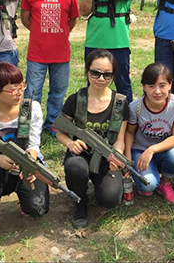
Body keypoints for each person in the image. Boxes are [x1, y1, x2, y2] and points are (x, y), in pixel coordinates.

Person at [0, 62, 49, 250]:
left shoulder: (32, 109)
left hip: (24, 166)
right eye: (13, 89)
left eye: (22, 86)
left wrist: (30, 163)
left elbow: (33, 144)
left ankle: (22, 196)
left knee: (38, 209)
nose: (19, 93)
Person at [55, 49, 129, 228]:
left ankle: (98, 183)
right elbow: (60, 131)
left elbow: (120, 139)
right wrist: (70, 143)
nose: (101, 78)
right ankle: (80, 201)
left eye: (107, 74)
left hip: (106, 158)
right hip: (80, 154)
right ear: (87, 72)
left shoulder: (120, 103)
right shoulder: (76, 100)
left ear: (113, 76)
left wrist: (118, 154)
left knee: (110, 199)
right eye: (95, 73)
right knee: (75, 166)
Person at [21, 0, 79, 134]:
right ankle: (30, 126)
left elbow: (73, 19)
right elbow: (25, 19)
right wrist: (39, 31)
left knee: (58, 91)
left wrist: (61, 33)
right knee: (32, 92)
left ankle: (53, 124)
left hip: (61, 53)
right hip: (37, 53)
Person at [80, 0, 136, 103]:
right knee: (93, 83)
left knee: (123, 84)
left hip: (118, 43)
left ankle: (128, 116)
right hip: (94, 42)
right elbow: (84, 11)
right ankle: (93, 113)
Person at [124, 63, 174, 204]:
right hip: (140, 150)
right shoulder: (135, 106)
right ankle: (150, 179)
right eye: (151, 86)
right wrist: (128, 156)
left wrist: (152, 149)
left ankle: (165, 182)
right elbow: (129, 132)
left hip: (164, 150)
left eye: (162, 85)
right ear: (144, 87)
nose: (157, 91)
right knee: (148, 186)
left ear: (170, 85)